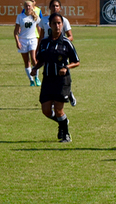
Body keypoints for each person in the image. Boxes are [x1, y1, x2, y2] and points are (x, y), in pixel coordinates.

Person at [30, 14, 80, 143]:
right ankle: (62, 121)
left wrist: (66, 67)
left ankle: (66, 135)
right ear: (50, 25)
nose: (57, 26)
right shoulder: (45, 42)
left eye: (59, 23)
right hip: (47, 79)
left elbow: (76, 61)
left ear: (62, 25)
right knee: (46, 110)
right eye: (54, 23)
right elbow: (41, 59)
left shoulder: (66, 43)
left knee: (58, 109)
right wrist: (35, 68)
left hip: (62, 81)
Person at [37, 0, 77, 105]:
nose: (55, 8)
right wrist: (39, 47)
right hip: (47, 49)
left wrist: (62, 44)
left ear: (60, 7)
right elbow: (41, 37)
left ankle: (66, 92)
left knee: (60, 74)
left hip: (59, 50)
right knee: (49, 73)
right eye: (53, 6)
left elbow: (70, 36)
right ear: (49, 7)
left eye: (57, 6)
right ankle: (63, 94)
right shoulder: (43, 20)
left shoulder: (64, 20)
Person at [14, 0, 41, 86]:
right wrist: (17, 42)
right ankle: (31, 80)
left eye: (29, 6)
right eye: (26, 6)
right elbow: (15, 32)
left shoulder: (35, 16)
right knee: (27, 62)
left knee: (34, 59)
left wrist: (40, 38)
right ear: (24, 7)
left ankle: (36, 77)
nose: (28, 7)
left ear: (33, 7)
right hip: (23, 40)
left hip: (33, 39)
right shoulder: (20, 16)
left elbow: (40, 28)